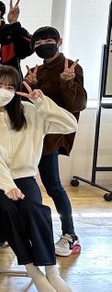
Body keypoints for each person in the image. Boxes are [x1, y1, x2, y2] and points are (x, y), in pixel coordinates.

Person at [0, 65, 77, 292]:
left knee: (34, 209)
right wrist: (6, 185)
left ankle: (51, 269)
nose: (3, 92)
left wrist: (42, 102)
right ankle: (31, 269)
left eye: (10, 87)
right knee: (7, 210)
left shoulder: (30, 111)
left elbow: (69, 125)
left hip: (24, 176)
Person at [24, 26, 86, 257]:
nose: (43, 45)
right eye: (38, 43)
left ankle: (70, 234)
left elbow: (77, 105)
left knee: (53, 186)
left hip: (52, 137)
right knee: (25, 183)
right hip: (32, 136)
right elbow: (29, 103)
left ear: (59, 42)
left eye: (48, 41)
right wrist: (29, 84)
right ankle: (21, 230)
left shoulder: (71, 68)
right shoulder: (36, 71)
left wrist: (66, 82)